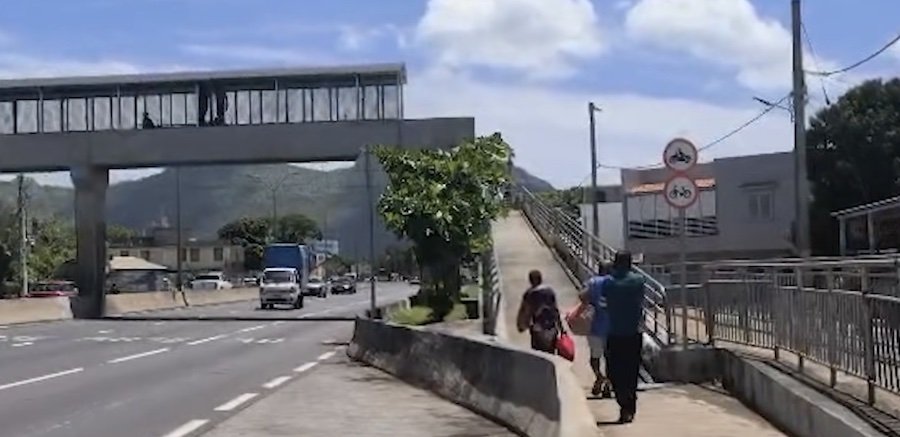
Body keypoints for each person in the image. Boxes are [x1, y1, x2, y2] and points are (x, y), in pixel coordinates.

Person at [603, 251, 646, 424]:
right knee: (631, 372)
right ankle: (629, 406)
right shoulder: (638, 281)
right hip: (634, 333)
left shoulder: (608, 282)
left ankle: (623, 403)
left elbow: (603, 296)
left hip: (614, 333)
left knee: (614, 372)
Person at [580, 261, 612, 398]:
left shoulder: (592, 282)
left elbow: (582, 296)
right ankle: (608, 385)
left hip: (595, 326)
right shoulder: (615, 282)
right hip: (613, 327)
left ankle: (599, 377)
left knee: (595, 358)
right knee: (611, 359)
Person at [516, 269, 561, 353]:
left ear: (530, 281)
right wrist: (561, 327)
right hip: (552, 328)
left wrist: (522, 326)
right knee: (551, 352)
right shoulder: (550, 291)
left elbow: (526, 311)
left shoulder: (529, 294)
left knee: (539, 353)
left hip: (538, 328)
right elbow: (555, 309)